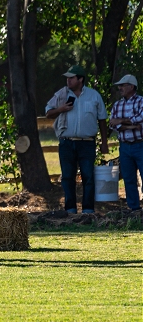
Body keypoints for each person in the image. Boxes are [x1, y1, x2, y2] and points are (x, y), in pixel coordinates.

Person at [45, 65, 108, 215]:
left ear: (80, 79)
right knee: (67, 176)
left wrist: (104, 142)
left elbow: (102, 120)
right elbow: (48, 112)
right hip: (66, 142)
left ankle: (88, 210)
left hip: (87, 142)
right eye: (67, 78)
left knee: (88, 176)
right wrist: (60, 109)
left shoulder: (94, 96)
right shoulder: (61, 95)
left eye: (71, 78)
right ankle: (70, 210)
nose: (68, 80)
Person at [109, 74, 143, 212]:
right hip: (124, 146)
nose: (120, 88)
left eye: (123, 85)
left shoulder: (141, 101)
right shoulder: (117, 104)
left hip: (140, 144)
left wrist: (121, 121)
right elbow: (112, 124)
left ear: (131, 86)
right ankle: (134, 209)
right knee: (128, 179)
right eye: (120, 86)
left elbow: (141, 117)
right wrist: (132, 125)